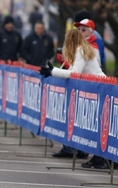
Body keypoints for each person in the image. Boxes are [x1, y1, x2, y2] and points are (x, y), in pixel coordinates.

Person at [39, 29, 110, 168]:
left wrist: (53, 71)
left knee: (100, 125)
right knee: (98, 126)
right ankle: (99, 158)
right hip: (100, 88)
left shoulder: (80, 51)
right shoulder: (83, 49)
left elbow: (74, 73)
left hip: (100, 89)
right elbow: (72, 70)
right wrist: (54, 71)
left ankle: (101, 158)